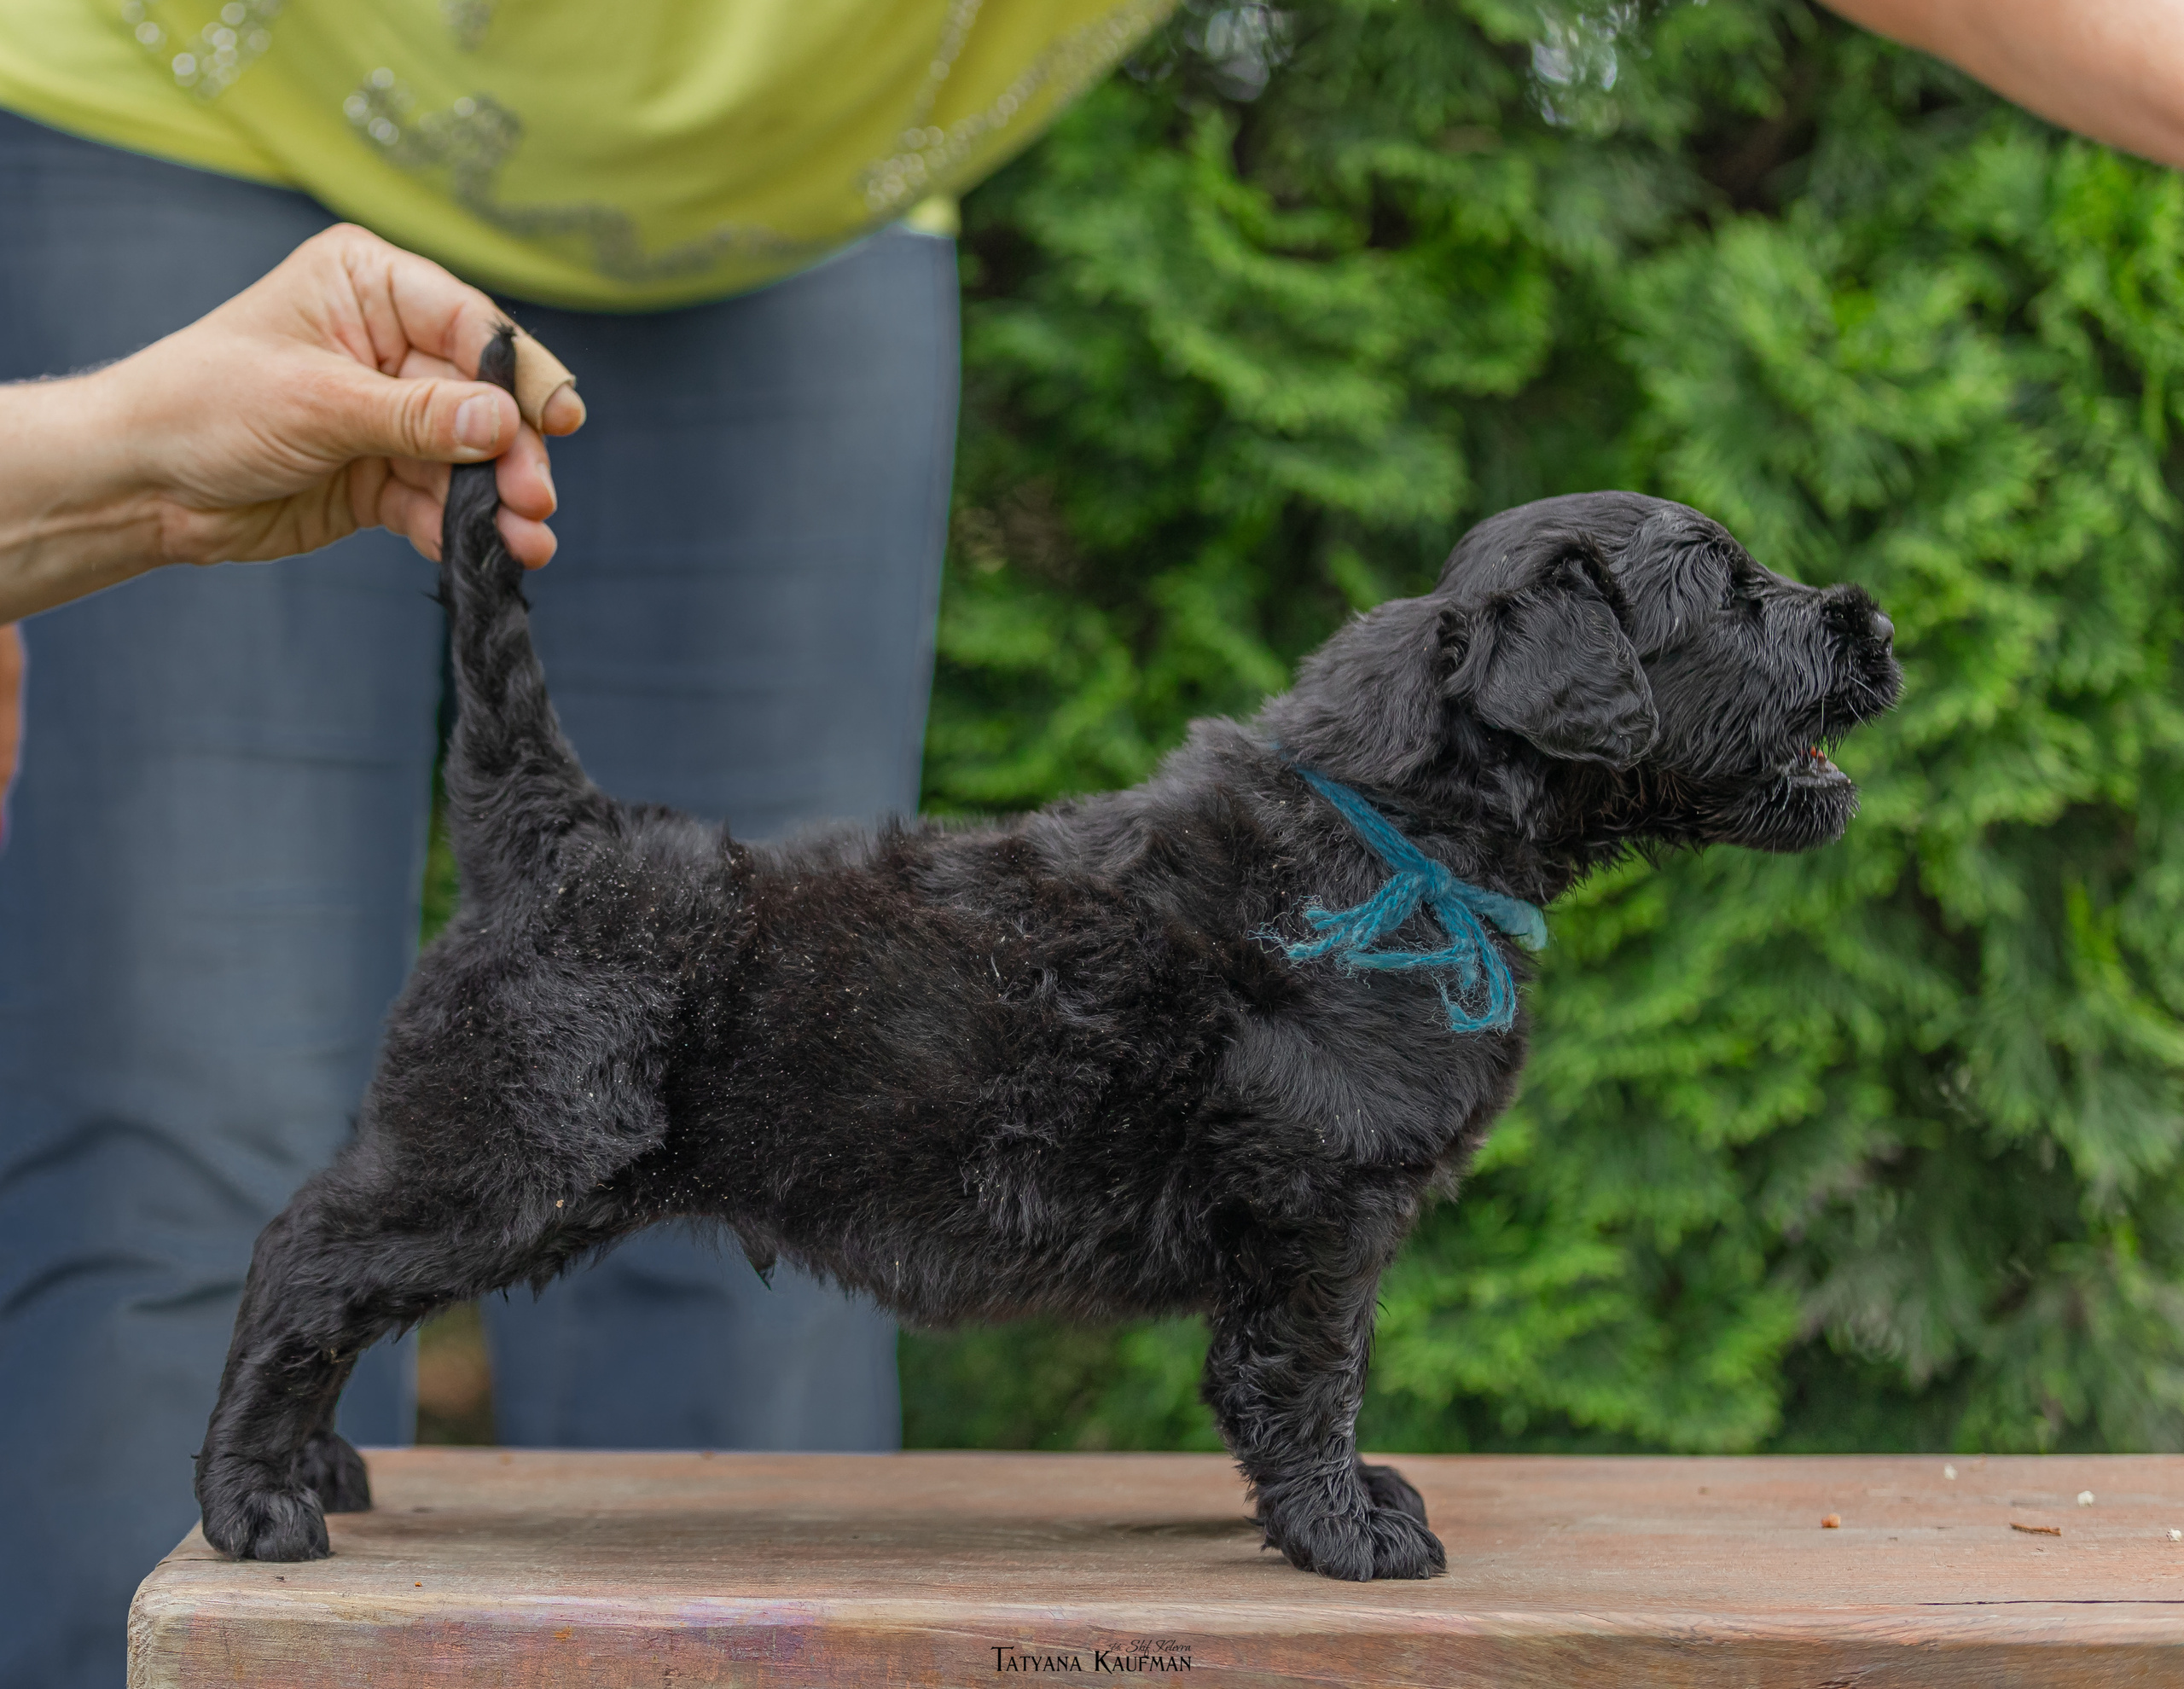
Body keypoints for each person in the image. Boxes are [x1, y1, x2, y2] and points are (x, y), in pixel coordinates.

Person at [0, 1, 2175, 1683]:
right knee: (180, 1148)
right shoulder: (1366, 837)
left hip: (808, 203)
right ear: (1560, 684)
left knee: (738, 1325)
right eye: (1731, 616)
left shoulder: (1374, 879)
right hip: (208, 97)